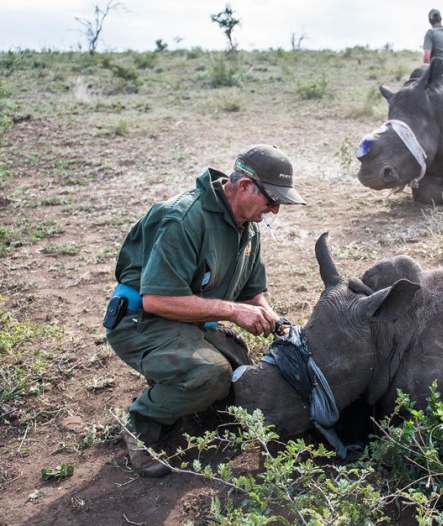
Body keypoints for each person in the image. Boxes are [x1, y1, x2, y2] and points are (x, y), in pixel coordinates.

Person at [104, 144, 305, 476]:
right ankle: (141, 425)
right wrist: (231, 311)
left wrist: (272, 317)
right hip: (141, 320)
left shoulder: (248, 228)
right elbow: (156, 299)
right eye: (272, 201)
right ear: (244, 187)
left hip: (188, 320)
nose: (275, 211)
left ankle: (188, 403)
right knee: (210, 374)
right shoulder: (184, 218)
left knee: (241, 367)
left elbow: (253, 291)